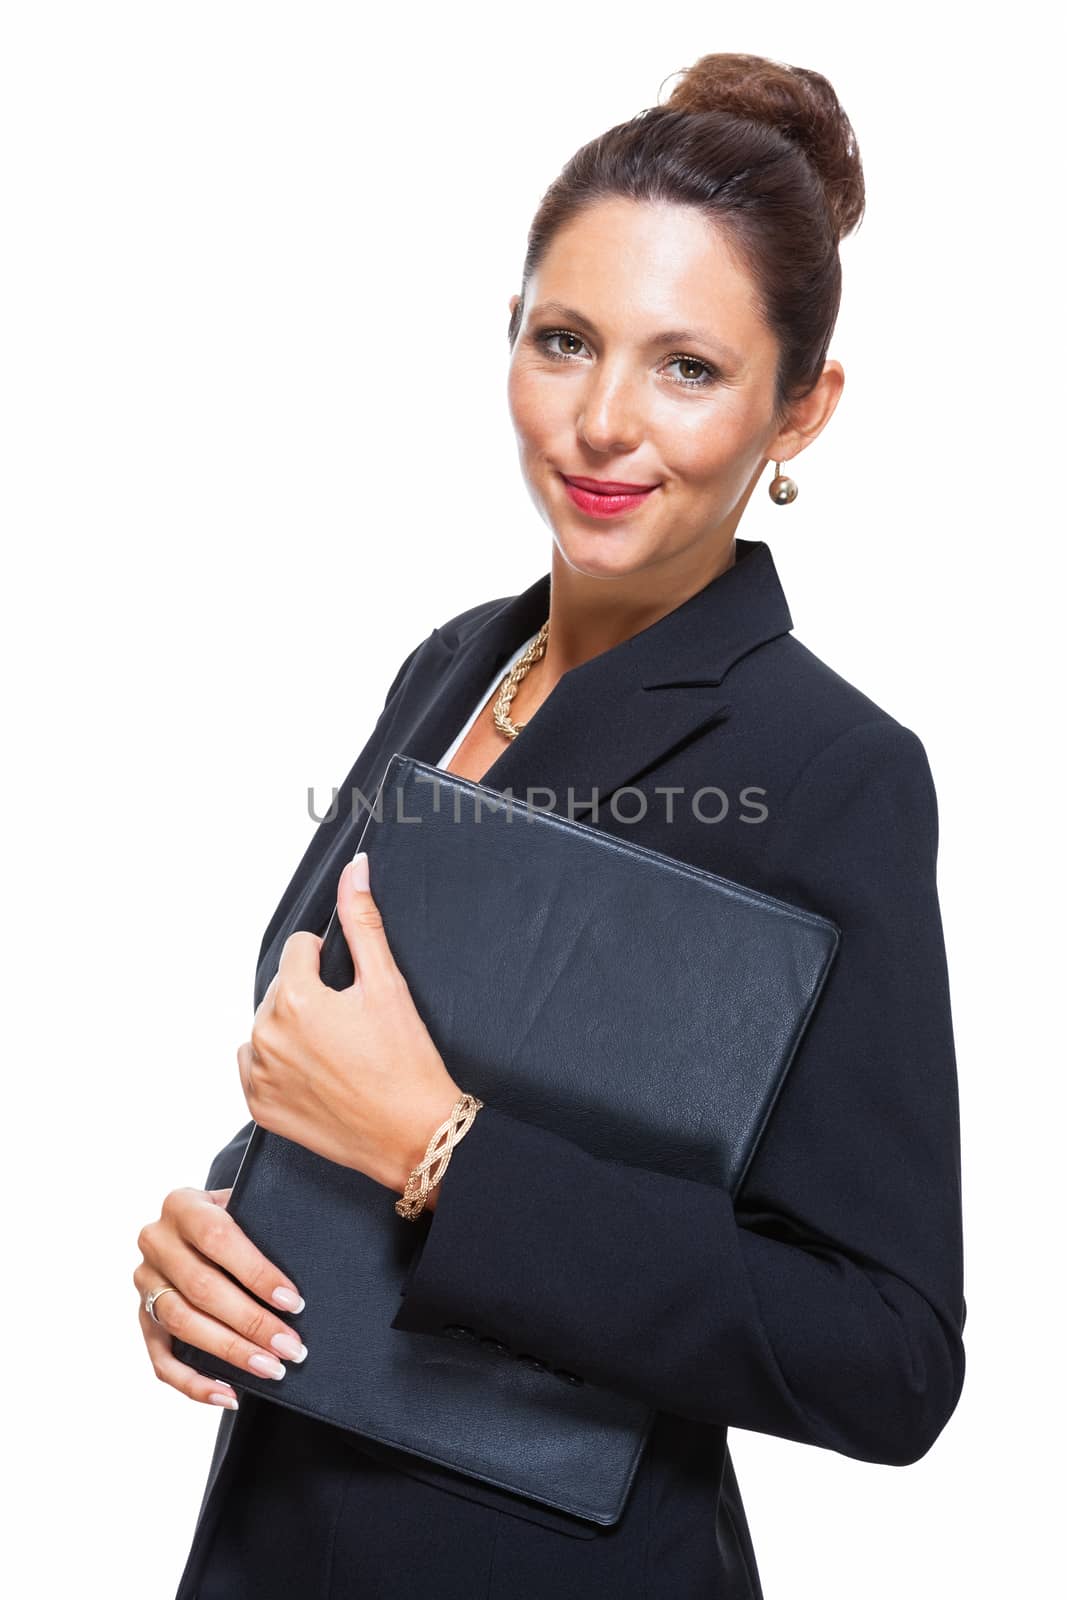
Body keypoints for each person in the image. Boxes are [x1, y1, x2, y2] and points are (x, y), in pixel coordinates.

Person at [136, 50, 967, 1600]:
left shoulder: (833, 767)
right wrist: (219, 1231)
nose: (600, 423)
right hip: (274, 1539)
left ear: (803, 408)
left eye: (688, 369)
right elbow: (339, 1065)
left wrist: (445, 1153)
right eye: (565, 341)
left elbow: (891, 1352)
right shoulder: (450, 664)